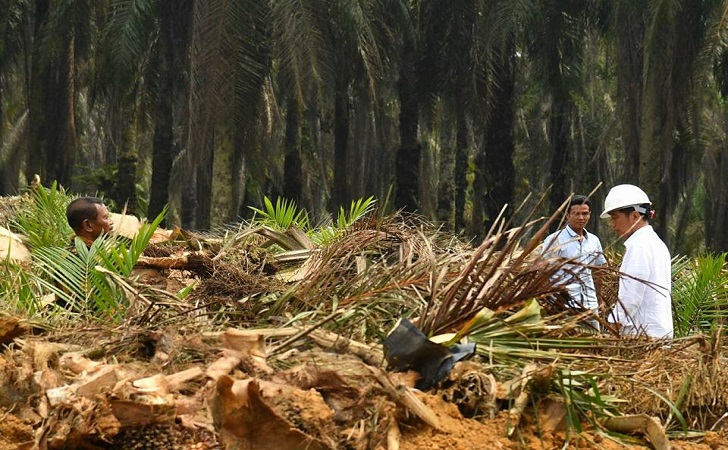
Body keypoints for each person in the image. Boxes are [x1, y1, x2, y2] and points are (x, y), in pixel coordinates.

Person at [600, 184, 673, 338]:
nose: (612, 225)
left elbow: (630, 297)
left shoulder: (639, 247)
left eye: (615, 217)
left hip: (641, 338)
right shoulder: (655, 243)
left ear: (634, 216)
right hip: (657, 335)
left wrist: (612, 330)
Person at [542, 195, 607, 327]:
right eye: (576, 214)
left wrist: (600, 300)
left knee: (595, 343)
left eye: (584, 214)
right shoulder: (555, 240)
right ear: (567, 216)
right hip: (565, 306)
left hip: (590, 304)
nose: (581, 218)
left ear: (590, 214)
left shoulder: (594, 240)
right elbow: (544, 272)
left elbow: (598, 270)